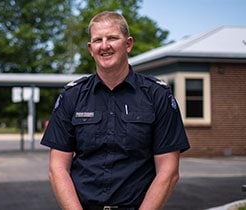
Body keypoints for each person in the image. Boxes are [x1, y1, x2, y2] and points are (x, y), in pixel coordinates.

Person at [41, 11, 190, 210]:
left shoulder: (158, 96)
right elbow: (57, 168)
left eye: (112, 38)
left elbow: (168, 172)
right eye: (97, 40)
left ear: (128, 44)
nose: (104, 46)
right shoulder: (72, 96)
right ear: (90, 48)